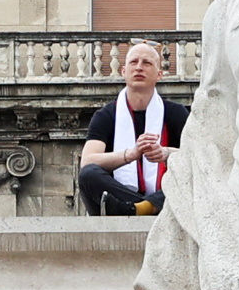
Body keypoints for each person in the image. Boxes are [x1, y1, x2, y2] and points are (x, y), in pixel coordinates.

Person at [78, 36, 183, 217]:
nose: (139, 67)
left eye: (147, 63)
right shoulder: (106, 115)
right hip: (125, 197)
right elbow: (87, 161)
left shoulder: (176, 113)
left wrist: (165, 153)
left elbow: (199, 156)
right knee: (89, 174)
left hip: (163, 195)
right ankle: (143, 208)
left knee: (193, 175)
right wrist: (130, 155)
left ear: (159, 74)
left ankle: (135, 208)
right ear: (124, 71)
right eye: (134, 62)